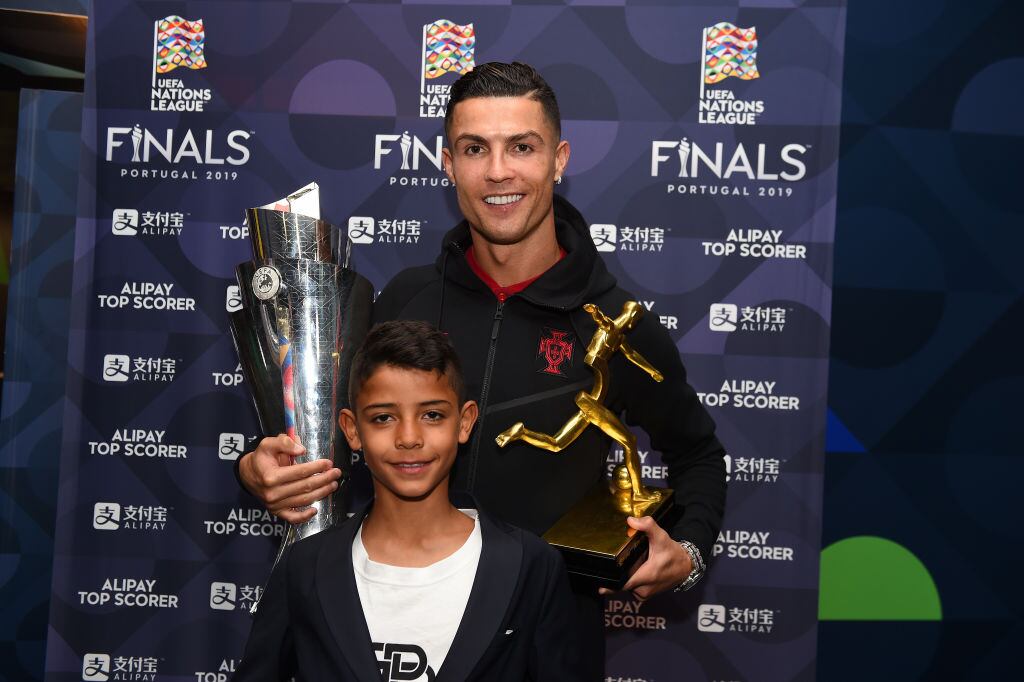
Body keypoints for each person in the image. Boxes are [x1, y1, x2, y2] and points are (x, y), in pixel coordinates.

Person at [237, 61, 726, 677]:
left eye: (522, 146)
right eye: (475, 149)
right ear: (447, 163)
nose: (498, 172)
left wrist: (689, 551)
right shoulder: (402, 301)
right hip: (382, 630)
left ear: (559, 158)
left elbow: (698, 455)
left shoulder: (614, 323)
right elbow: (332, 429)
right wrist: (260, 466)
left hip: (545, 646)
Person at [233, 321, 585, 682]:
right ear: (352, 430)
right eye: (383, 418)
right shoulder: (305, 567)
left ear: (464, 422)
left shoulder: (530, 565)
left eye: (432, 415)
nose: (409, 438)